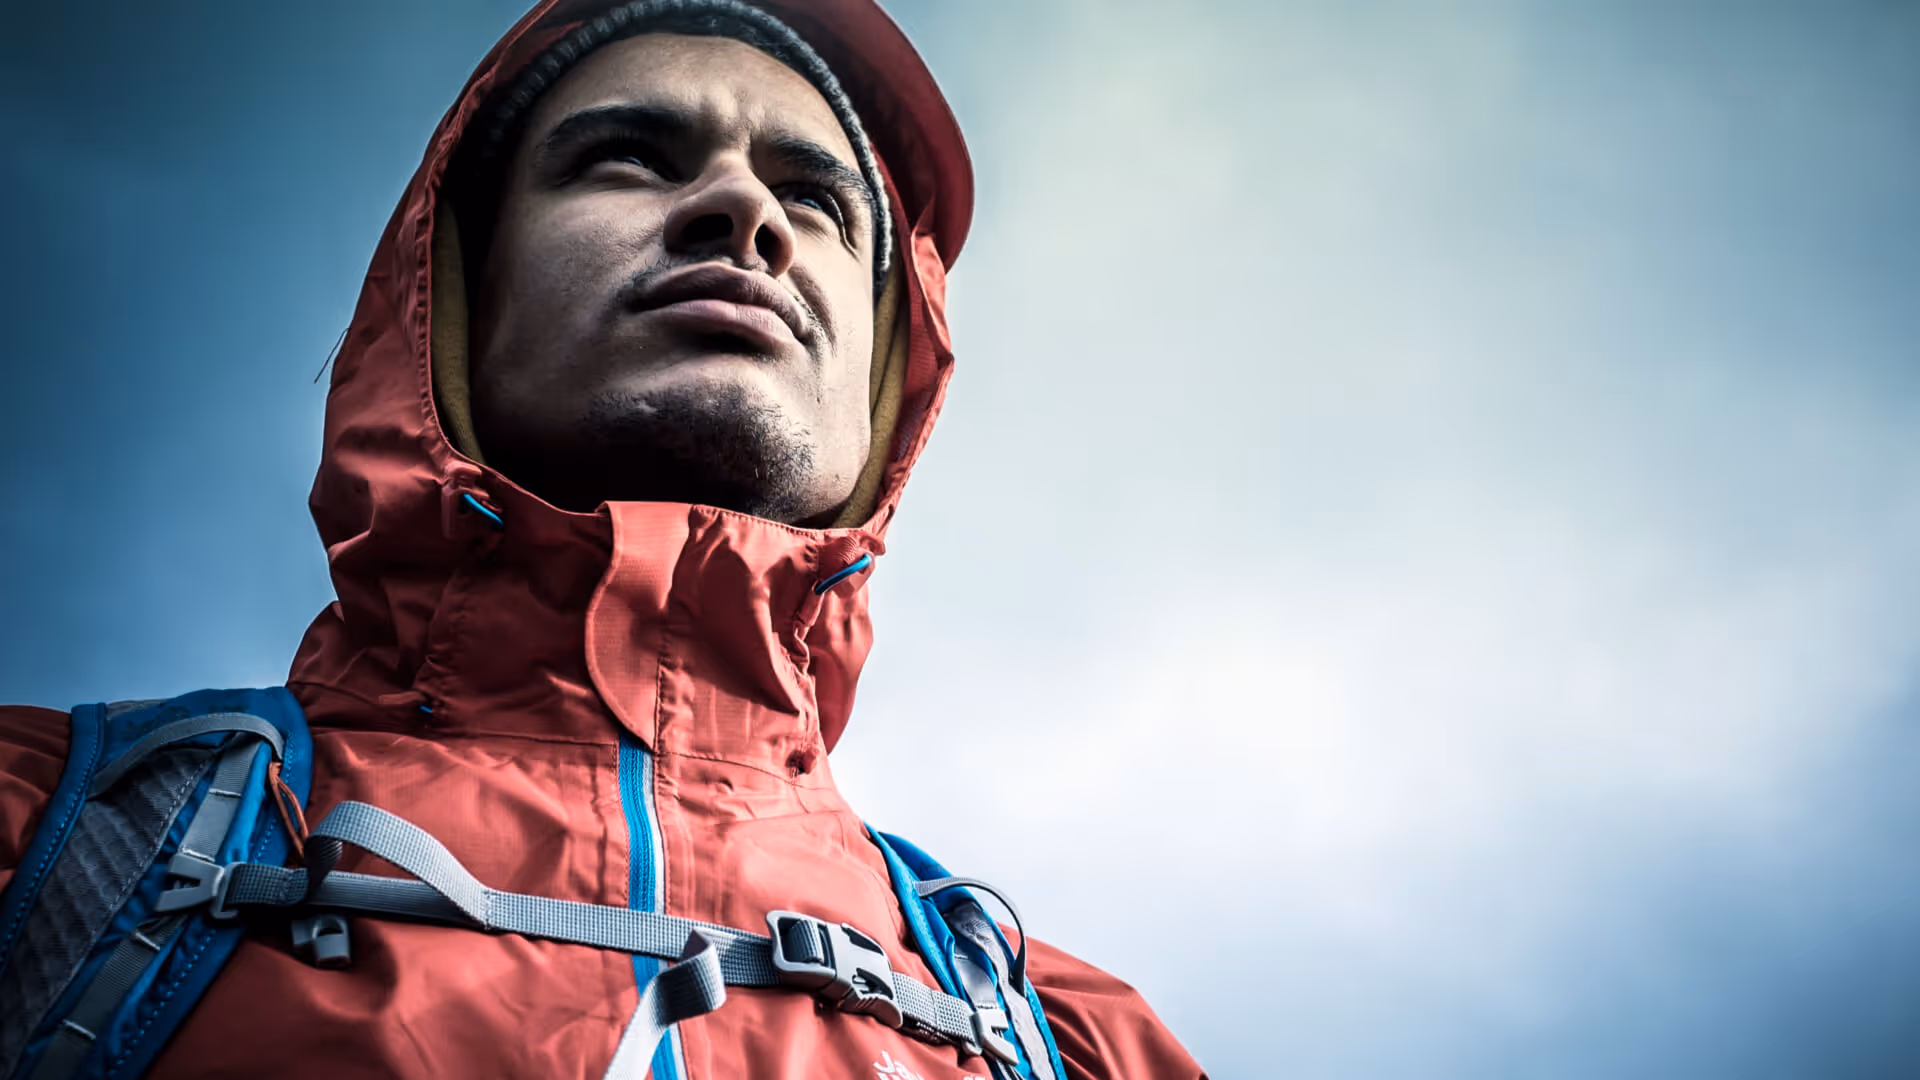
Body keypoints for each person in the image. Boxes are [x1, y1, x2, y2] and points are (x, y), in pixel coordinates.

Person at [0, 1, 1206, 1078]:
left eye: (816, 199)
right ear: (454, 293)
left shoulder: (1081, 1043)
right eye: (628, 157)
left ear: (888, 374)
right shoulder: (40, 834)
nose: (746, 211)